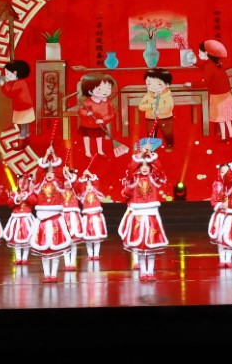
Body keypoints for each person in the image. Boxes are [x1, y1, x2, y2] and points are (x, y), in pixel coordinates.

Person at [119, 146, 172, 281]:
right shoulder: (134, 178)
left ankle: (150, 272)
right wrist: (140, 154)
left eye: (146, 165)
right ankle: (143, 272)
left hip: (151, 214)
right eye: (141, 165)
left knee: (151, 245)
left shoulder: (153, 178)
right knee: (141, 247)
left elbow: (158, 169)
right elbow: (131, 168)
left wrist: (150, 154)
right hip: (138, 215)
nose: (144, 168)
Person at [28, 146, 72, 282]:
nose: (49, 174)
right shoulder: (40, 184)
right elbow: (39, 172)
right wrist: (46, 155)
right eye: (47, 171)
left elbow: (59, 171)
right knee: (44, 250)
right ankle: (47, 275)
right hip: (42, 220)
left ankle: (54, 275)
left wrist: (54, 155)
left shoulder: (59, 183)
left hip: (55, 219)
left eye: (52, 172)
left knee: (56, 248)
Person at [199, 40, 232, 142]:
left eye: (199, 52)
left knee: (221, 119)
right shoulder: (215, 63)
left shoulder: (209, 66)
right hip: (226, 95)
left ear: (206, 53)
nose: (198, 54)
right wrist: (194, 62)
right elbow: (203, 66)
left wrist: (191, 84)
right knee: (227, 119)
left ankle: (224, 137)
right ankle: (231, 135)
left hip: (218, 97)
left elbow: (205, 83)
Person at [75, 166, 110, 262]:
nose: (89, 187)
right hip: (87, 218)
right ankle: (90, 254)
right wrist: (83, 176)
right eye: (87, 185)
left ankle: (96, 254)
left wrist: (89, 174)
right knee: (88, 238)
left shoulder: (96, 192)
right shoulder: (83, 194)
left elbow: (96, 181)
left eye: (91, 185)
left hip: (96, 217)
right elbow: (78, 185)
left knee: (97, 237)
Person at [4, 169, 36, 265]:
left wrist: (26, 196)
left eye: (25, 183)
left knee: (27, 239)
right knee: (16, 239)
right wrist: (17, 199)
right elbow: (9, 203)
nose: (22, 185)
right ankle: (18, 258)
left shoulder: (30, 193)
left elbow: (34, 201)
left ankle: (25, 258)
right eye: (21, 183)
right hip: (16, 219)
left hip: (27, 219)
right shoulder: (14, 193)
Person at [138, 67, 176, 148]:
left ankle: (170, 145)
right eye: (149, 84)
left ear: (167, 85)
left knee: (167, 133)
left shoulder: (167, 96)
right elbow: (141, 106)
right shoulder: (148, 95)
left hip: (165, 119)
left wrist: (159, 110)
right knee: (150, 134)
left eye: (158, 84)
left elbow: (169, 107)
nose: (153, 87)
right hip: (150, 118)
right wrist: (151, 106)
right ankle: (151, 147)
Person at [78, 76, 116, 158]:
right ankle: (87, 152)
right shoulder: (88, 101)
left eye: (108, 88)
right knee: (87, 137)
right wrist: (86, 113)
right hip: (87, 125)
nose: (104, 91)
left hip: (99, 125)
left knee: (99, 137)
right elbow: (81, 110)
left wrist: (103, 120)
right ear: (90, 91)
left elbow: (111, 114)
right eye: (100, 89)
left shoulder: (108, 102)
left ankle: (100, 150)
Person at [208, 162, 232, 270]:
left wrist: (231, 205)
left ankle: (228, 259)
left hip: (231, 215)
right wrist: (221, 205)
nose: (225, 174)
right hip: (220, 216)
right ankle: (222, 260)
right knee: (220, 238)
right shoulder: (217, 184)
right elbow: (213, 201)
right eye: (222, 172)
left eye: (227, 172)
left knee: (229, 237)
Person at [0, 59, 35, 140]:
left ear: (15, 73)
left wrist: (3, 85)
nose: (6, 76)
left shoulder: (19, 83)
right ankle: (26, 133)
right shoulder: (20, 82)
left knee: (23, 122)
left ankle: (23, 135)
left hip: (22, 107)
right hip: (26, 106)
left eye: (8, 73)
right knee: (25, 122)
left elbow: (10, 94)